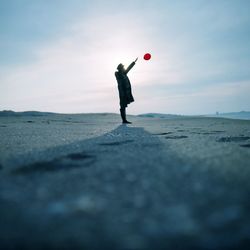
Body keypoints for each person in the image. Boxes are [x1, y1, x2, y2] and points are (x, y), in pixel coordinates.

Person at [115, 58, 138, 124]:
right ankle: (124, 120)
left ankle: (124, 120)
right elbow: (121, 75)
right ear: (120, 68)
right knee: (122, 105)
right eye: (122, 67)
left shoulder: (124, 73)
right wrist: (123, 71)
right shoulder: (117, 73)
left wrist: (133, 62)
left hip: (126, 91)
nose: (124, 68)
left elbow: (129, 68)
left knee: (124, 105)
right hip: (122, 92)